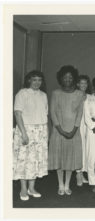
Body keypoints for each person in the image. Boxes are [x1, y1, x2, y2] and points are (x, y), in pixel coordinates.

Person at [48, 65, 84, 196]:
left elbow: (80, 113)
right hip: (58, 132)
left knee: (69, 159)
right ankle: (60, 184)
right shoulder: (55, 93)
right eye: (65, 77)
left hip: (73, 132)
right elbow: (52, 113)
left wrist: (74, 130)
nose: (68, 79)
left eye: (70, 77)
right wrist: (61, 130)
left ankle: (67, 184)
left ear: (74, 78)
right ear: (61, 79)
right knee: (59, 158)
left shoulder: (80, 94)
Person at [13, 70, 48, 201]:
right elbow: (17, 114)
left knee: (36, 160)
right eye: (34, 80)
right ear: (29, 80)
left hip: (41, 130)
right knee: (24, 160)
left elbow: (45, 114)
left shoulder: (43, 95)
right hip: (26, 130)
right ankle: (23, 189)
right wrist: (23, 133)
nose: (37, 82)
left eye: (39, 80)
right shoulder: (22, 93)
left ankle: (31, 188)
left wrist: (45, 133)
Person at [75, 75, 92, 186]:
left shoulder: (90, 96)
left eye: (85, 83)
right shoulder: (75, 95)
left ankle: (83, 172)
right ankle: (78, 174)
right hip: (78, 123)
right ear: (77, 84)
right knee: (79, 148)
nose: (83, 85)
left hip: (89, 124)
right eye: (81, 83)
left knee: (87, 148)